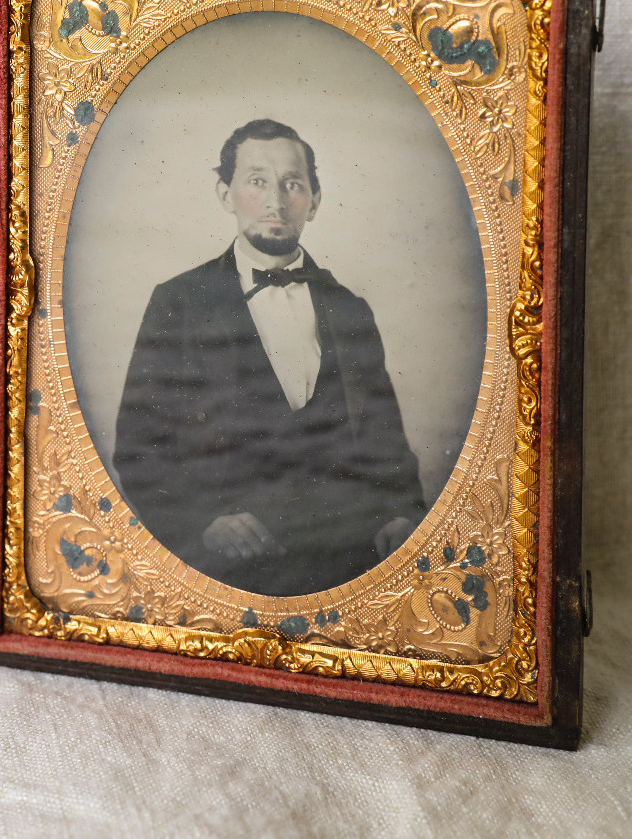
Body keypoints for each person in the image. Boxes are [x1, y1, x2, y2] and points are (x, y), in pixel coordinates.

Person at [113, 119, 425, 596]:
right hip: (229, 566)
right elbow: (139, 446)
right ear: (225, 194)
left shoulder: (349, 309)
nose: (277, 200)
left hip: (346, 560)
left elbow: (387, 440)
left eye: (293, 184)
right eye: (257, 181)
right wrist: (205, 522)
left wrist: (401, 515)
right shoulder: (178, 302)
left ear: (314, 201)